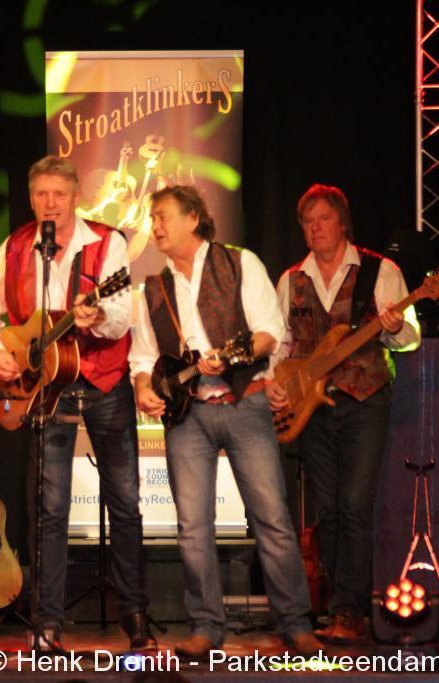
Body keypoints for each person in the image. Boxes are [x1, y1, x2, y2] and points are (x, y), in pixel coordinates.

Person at [130, 186, 321, 658]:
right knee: (193, 526)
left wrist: (233, 356)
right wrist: (142, 387)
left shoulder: (239, 263)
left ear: (193, 219)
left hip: (244, 404)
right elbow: (143, 356)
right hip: (188, 415)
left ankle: (296, 624)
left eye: (163, 216)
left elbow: (269, 332)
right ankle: (205, 627)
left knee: (271, 517)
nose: (155, 226)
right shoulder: (152, 288)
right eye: (152, 218)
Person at [0, 156, 153, 653]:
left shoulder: (108, 243)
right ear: (31, 199)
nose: (50, 203)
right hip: (44, 387)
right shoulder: (14, 247)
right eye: (41, 195)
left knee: (125, 500)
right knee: (48, 507)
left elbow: (121, 315)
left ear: (76, 197)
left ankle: (135, 615)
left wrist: (95, 317)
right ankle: (47, 623)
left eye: (59, 194)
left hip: (104, 380)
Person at [266, 183, 420, 643]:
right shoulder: (291, 279)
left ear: (342, 223)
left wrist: (395, 327)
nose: (315, 228)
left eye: (324, 219)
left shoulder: (380, 270)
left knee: (354, 505)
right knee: (328, 510)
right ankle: (336, 607)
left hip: (365, 401)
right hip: (310, 408)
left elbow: (410, 338)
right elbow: (279, 343)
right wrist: (275, 384)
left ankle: (349, 612)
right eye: (308, 221)